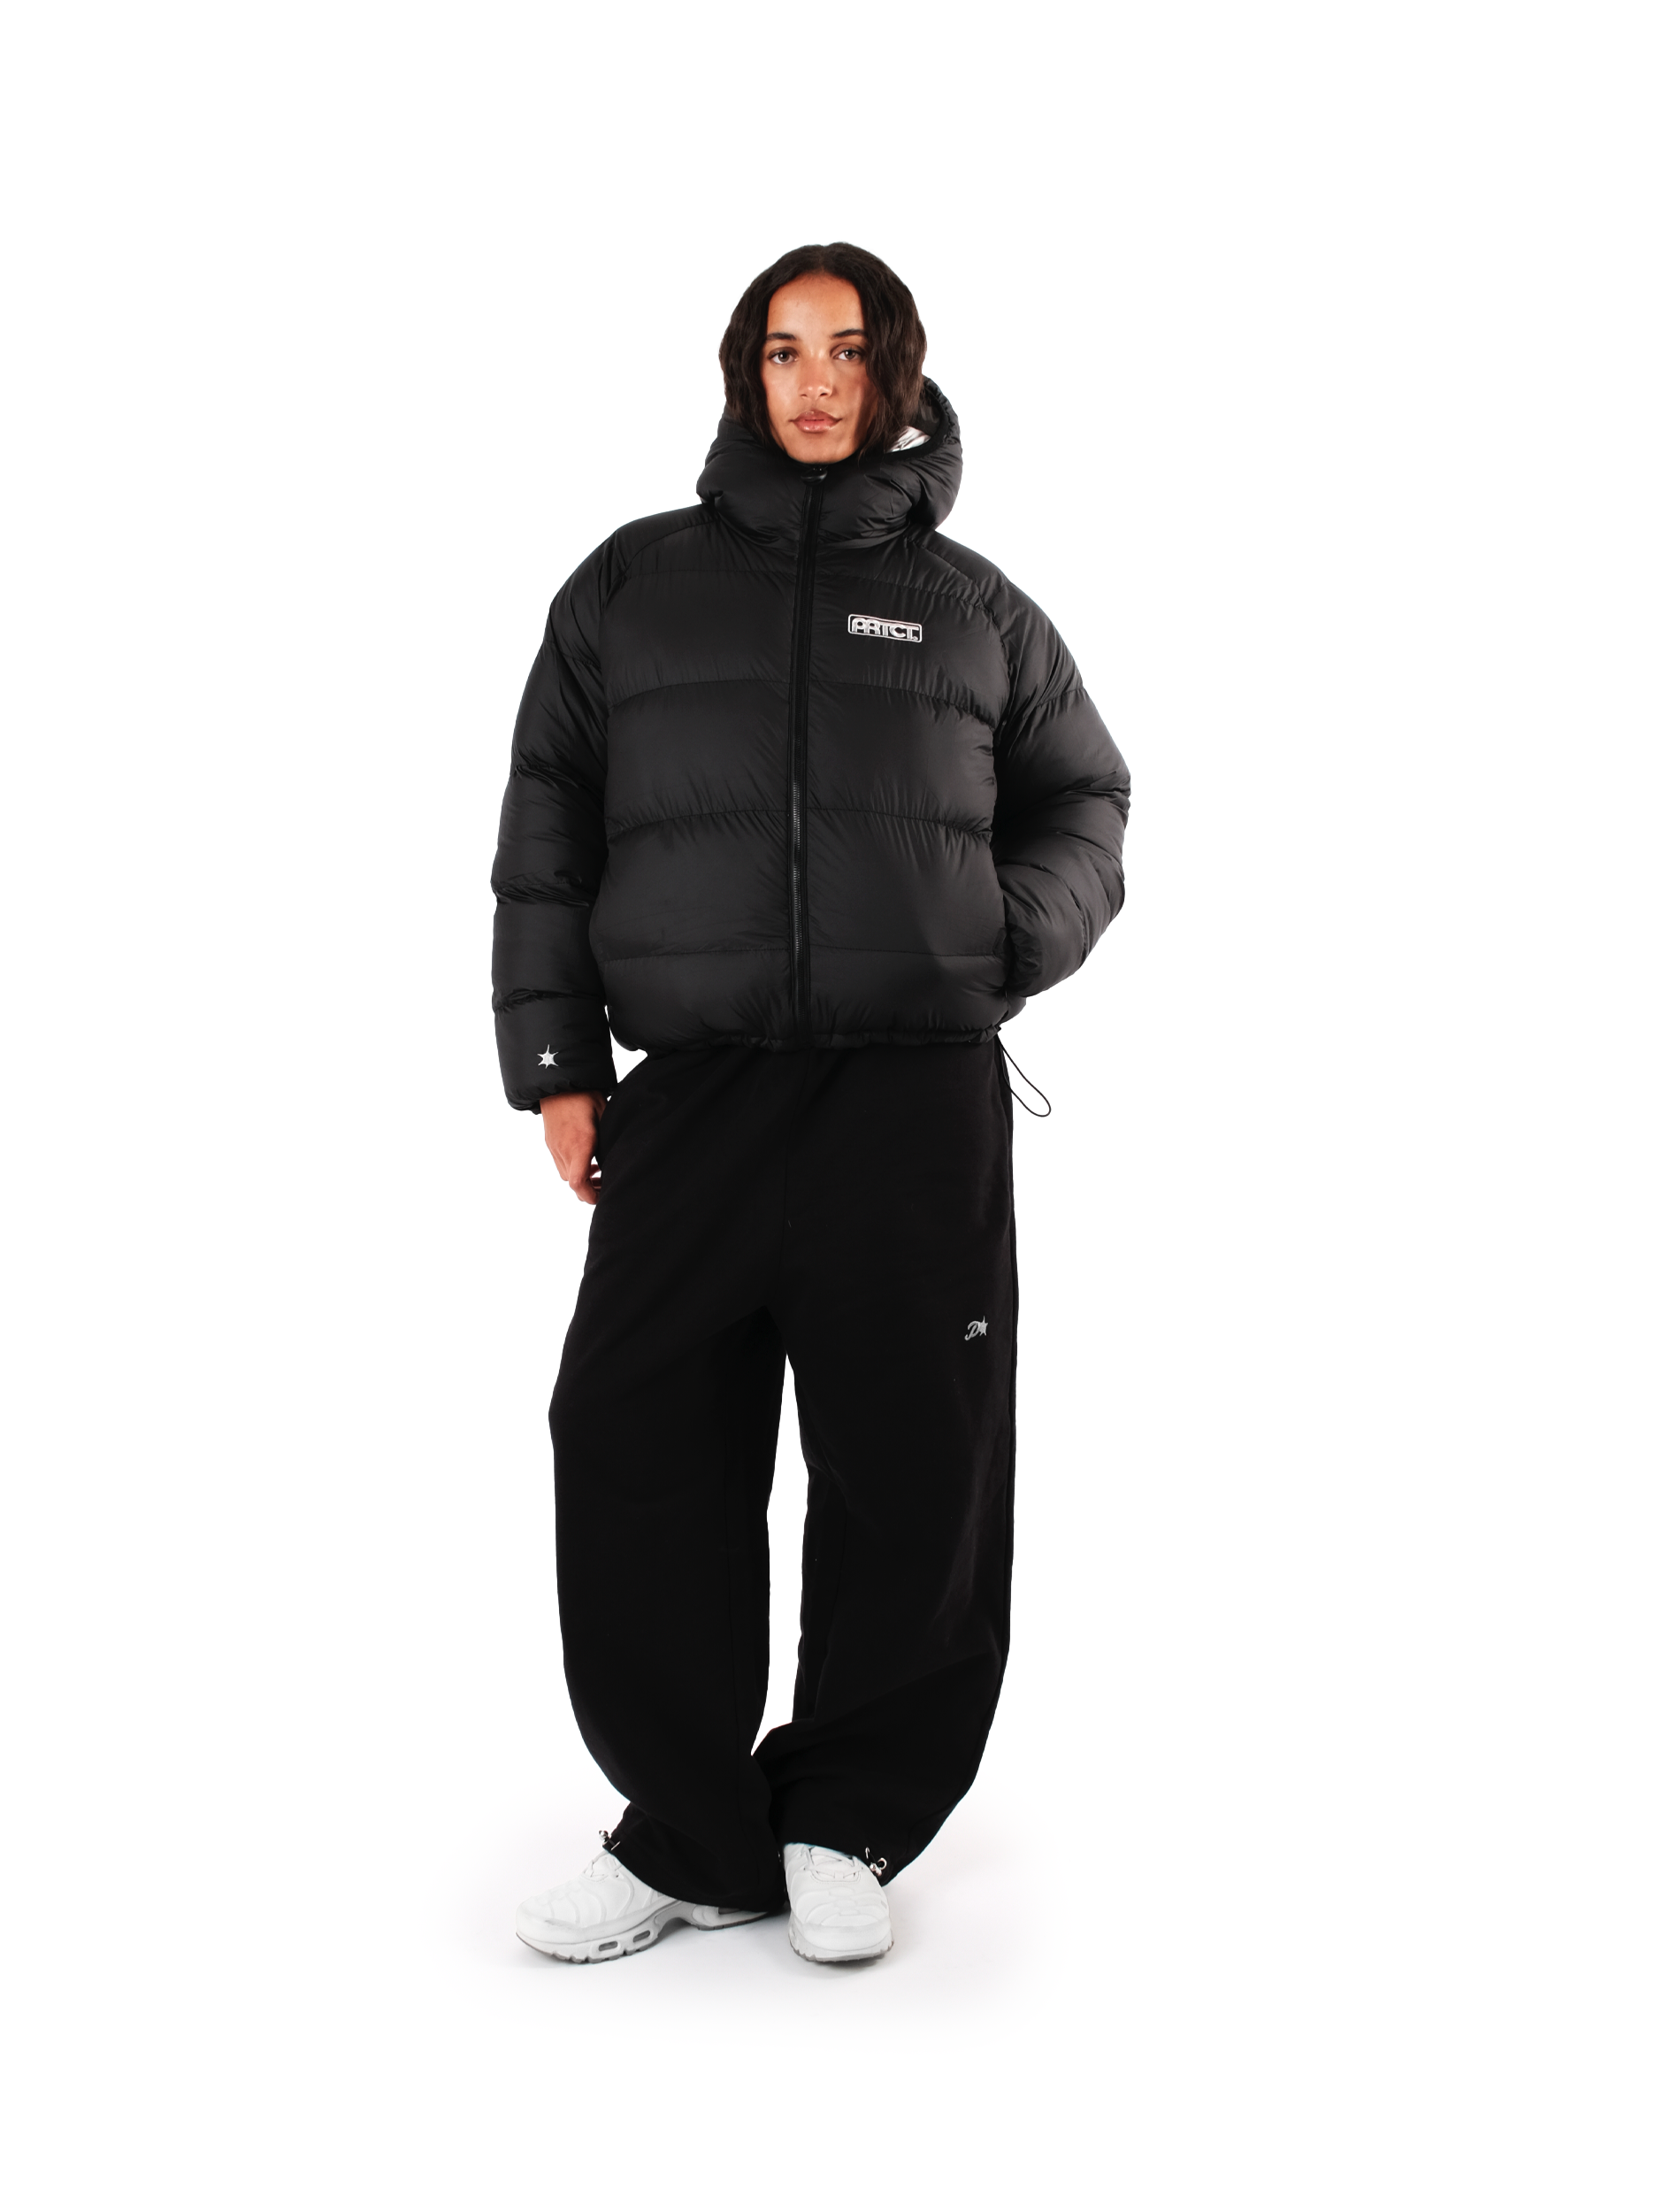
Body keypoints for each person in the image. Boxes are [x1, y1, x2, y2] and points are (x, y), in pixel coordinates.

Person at [491, 242, 1130, 1965]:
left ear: (897, 370)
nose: (819, 380)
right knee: (631, 1435)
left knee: (912, 1459)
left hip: (913, 1101)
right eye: (785, 350)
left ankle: (847, 1812)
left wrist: (998, 937)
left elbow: (1085, 799)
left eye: (849, 349)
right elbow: (548, 823)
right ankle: (691, 1828)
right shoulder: (635, 587)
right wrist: (558, 1061)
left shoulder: (972, 607)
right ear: (744, 373)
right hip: (695, 1092)